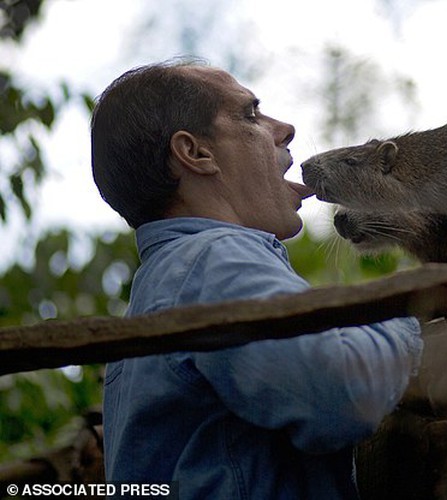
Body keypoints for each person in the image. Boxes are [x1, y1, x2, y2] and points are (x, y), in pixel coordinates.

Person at [91, 58, 422, 499]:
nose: (285, 128)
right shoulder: (212, 258)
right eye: (250, 114)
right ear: (195, 154)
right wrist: (411, 315)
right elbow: (343, 389)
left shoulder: (164, 286)